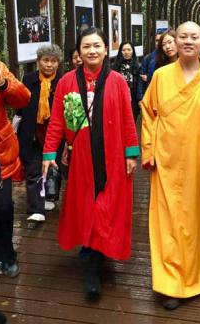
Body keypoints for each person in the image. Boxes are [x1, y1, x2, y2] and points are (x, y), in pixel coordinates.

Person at [141, 21, 200, 310]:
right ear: (173, 40)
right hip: (167, 163)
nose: (187, 41)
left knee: (197, 223)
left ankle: (198, 279)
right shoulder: (160, 76)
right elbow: (148, 114)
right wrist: (148, 151)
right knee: (167, 224)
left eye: (193, 37)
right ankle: (171, 283)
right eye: (182, 36)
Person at [42, 28, 139, 300]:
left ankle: (97, 256)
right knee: (88, 205)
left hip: (112, 155)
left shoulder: (118, 81)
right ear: (78, 52)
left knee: (106, 206)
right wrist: (50, 153)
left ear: (106, 50)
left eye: (97, 45)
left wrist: (131, 152)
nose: (92, 51)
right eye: (87, 46)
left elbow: (128, 119)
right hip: (81, 157)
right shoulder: (67, 82)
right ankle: (93, 262)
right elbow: (58, 121)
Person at [17, 45, 63, 222]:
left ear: (58, 63)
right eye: (45, 60)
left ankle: (51, 196)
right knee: (33, 169)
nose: (49, 65)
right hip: (32, 132)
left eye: (53, 61)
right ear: (38, 61)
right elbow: (20, 105)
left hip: (54, 133)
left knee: (53, 168)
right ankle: (36, 208)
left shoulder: (62, 81)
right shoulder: (28, 79)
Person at [0, 49, 31, 278]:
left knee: (3, 208)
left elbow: (23, 98)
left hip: (0, 155)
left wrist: (1, 82)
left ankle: (7, 255)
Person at [112, 41, 140, 120]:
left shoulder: (137, 66)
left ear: (133, 51)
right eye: (124, 50)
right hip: (118, 99)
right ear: (120, 52)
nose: (126, 52)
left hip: (133, 100)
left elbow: (139, 85)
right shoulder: (114, 67)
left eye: (129, 50)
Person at [137, 32, 162, 103]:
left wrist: (148, 78)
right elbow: (141, 79)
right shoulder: (148, 58)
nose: (158, 43)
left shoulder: (171, 57)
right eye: (157, 40)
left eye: (160, 41)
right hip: (150, 95)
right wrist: (140, 98)